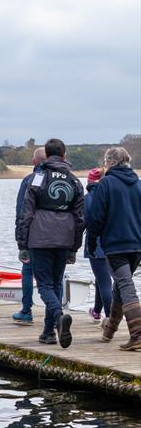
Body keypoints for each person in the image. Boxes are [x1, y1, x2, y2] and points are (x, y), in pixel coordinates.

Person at [17, 138, 84, 348]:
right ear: (64, 156)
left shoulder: (38, 177)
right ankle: (49, 332)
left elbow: (26, 212)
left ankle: (58, 317)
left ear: (47, 155)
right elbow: (81, 218)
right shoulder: (74, 181)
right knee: (56, 284)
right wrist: (74, 247)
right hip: (64, 238)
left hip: (41, 237)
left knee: (45, 285)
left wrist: (22, 243)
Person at [86, 147, 141, 351]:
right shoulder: (138, 184)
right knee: (120, 285)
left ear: (109, 163)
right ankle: (109, 330)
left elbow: (96, 217)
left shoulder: (106, 184)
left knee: (125, 285)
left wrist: (92, 242)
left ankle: (137, 334)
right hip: (136, 246)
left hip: (116, 245)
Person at [12, 147, 47, 325]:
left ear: (34, 162)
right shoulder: (62, 179)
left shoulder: (28, 180)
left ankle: (27, 310)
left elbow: (21, 211)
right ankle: (55, 312)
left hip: (32, 235)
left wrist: (21, 241)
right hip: (56, 237)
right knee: (54, 275)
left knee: (27, 271)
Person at [84, 167, 112, 323]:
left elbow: (84, 222)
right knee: (101, 277)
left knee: (105, 281)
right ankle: (96, 311)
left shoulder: (88, 198)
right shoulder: (112, 195)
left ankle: (110, 318)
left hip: (96, 244)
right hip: (114, 243)